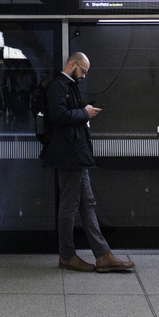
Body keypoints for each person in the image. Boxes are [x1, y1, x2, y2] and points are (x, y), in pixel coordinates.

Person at [39, 52, 134, 273]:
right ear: (72, 65)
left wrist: (84, 111)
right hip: (69, 156)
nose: (84, 75)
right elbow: (58, 116)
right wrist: (85, 112)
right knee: (69, 205)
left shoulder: (69, 86)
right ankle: (67, 256)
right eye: (83, 70)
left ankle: (103, 255)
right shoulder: (58, 86)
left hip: (77, 155)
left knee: (87, 203)